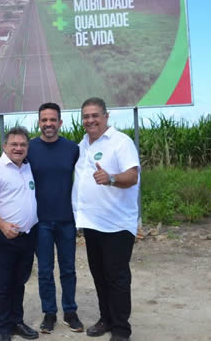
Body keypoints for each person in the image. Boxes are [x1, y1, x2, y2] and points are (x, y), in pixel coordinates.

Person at [0, 102, 84, 334]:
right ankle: (49, 313)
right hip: (40, 223)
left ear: (60, 122)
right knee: (45, 271)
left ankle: (70, 311)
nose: (48, 124)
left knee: (68, 269)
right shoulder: (30, 148)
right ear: (39, 123)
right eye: (44, 120)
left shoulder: (72, 149)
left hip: (67, 220)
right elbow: (7, 164)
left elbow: (86, 175)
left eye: (53, 119)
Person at [72, 97, 140, 341]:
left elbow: (132, 176)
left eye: (95, 115)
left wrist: (111, 178)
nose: (90, 120)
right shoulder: (82, 145)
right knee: (99, 275)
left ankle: (121, 329)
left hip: (116, 225)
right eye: (86, 116)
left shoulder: (121, 142)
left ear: (106, 116)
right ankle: (106, 319)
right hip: (92, 223)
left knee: (117, 277)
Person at [0, 126, 40, 341]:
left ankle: (16, 322)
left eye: (22, 145)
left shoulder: (28, 167)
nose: (18, 148)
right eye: (14, 144)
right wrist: (2, 225)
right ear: (5, 146)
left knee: (19, 281)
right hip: (3, 236)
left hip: (27, 236)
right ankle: (3, 329)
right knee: (3, 284)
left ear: (27, 147)